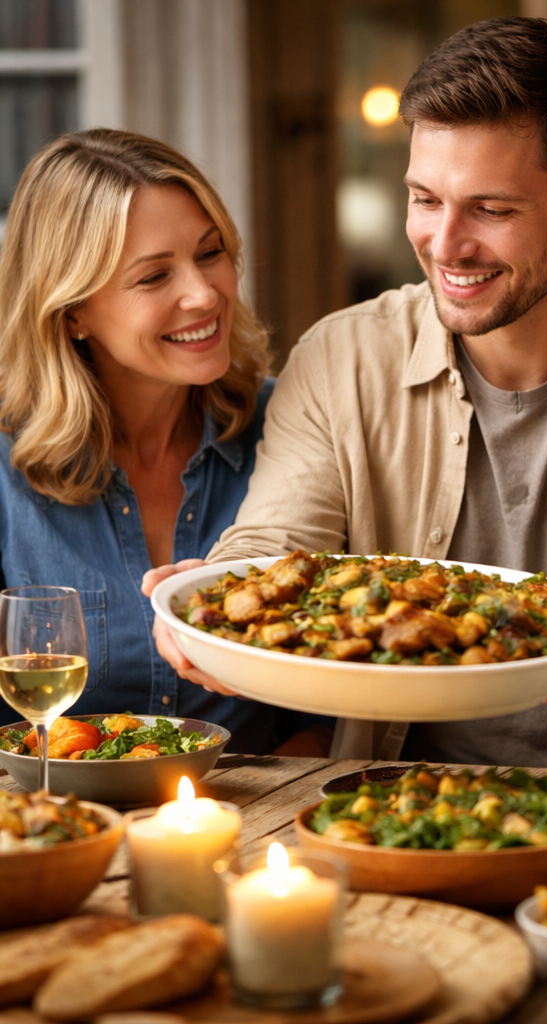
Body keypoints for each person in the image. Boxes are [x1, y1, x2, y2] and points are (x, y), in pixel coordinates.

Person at [146, 17, 547, 774]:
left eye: (491, 210)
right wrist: (207, 607)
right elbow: (273, 552)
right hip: (381, 807)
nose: (445, 245)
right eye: (425, 199)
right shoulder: (340, 355)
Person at [0, 129, 330, 755]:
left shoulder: (293, 426)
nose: (204, 294)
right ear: (72, 312)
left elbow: (331, 706)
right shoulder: (5, 465)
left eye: (210, 254)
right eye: (155, 277)